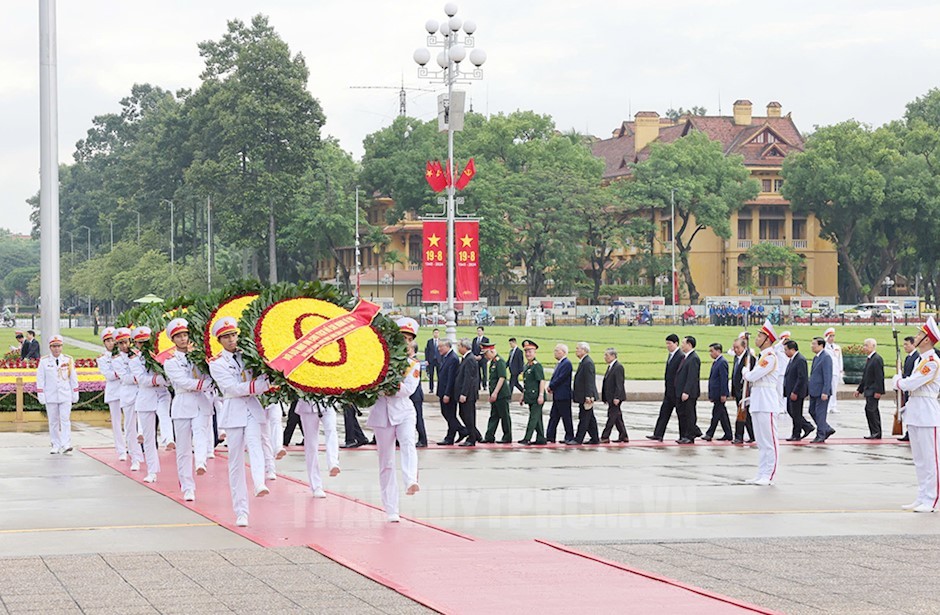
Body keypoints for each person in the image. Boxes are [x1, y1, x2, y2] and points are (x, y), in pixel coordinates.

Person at [207, 316, 273, 527]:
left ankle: (259, 483)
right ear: (220, 340)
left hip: (252, 408)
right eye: (226, 337)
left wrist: (267, 381)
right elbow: (231, 388)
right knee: (235, 462)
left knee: (255, 444)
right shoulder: (217, 364)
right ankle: (241, 511)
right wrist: (259, 386)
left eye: (233, 335)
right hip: (234, 411)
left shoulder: (250, 355)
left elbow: (263, 376)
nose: (231, 340)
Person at [366, 317, 421, 522]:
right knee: (386, 462)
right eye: (402, 337)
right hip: (382, 414)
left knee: (408, 443)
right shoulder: (379, 360)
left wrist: (388, 385)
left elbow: (408, 389)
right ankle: (391, 508)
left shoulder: (412, 364)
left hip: (404, 411)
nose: (405, 341)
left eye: (409, 338)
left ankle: (410, 480)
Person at [163, 318, 215, 501]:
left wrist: (206, 382)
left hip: (201, 402)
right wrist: (203, 384)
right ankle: (187, 486)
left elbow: (210, 375)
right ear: (173, 339)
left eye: (185, 335)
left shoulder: (200, 356)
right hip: (182, 404)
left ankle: (201, 462)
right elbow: (182, 382)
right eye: (179, 336)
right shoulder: (170, 362)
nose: (183, 339)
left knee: (201, 433)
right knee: (183, 449)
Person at [892, 316, 940, 512]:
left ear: (927, 339)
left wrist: (898, 381)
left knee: (931, 460)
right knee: (919, 460)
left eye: (920, 334)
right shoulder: (921, 359)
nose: (917, 336)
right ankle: (922, 496)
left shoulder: (932, 361)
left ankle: (933, 499)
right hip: (915, 410)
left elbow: (911, 383)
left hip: (928, 411)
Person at [742, 320, 781, 485]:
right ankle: (761, 473)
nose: (757, 338)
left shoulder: (770, 357)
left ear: (768, 339)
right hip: (758, 401)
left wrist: (745, 371)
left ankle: (769, 475)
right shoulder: (762, 357)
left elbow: (752, 376)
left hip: (767, 402)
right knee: (761, 442)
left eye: (760, 336)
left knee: (770, 441)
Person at [129, 326, 165, 484]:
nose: (144, 345)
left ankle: (168, 438)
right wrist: (158, 380)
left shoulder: (162, 356)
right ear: (136, 344)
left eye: (146, 341)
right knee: (149, 439)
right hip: (145, 399)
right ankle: (152, 471)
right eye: (140, 342)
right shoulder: (135, 361)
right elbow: (142, 379)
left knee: (166, 421)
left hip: (162, 395)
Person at [35, 335, 78, 455]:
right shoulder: (44, 361)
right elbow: (40, 379)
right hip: (51, 395)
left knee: (65, 420)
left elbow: (73, 378)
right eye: (54, 346)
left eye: (58, 346)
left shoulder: (68, 360)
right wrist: (41, 394)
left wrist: (75, 392)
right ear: (50, 347)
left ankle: (66, 444)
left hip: (65, 394)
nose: (56, 349)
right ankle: (55, 444)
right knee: (53, 421)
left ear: (62, 347)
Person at [296, 399, 340, 499]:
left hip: (328, 401)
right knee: (311, 444)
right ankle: (316, 486)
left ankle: (333, 463)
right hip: (307, 405)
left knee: (331, 430)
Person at [113, 327, 142, 470]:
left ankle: (144, 455)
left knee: (144, 427)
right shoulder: (117, 360)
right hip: (128, 394)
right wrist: (140, 378)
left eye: (126, 342)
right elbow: (124, 378)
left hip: (142, 393)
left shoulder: (138, 354)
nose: (124, 346)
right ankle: (135, 458)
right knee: (130, 428)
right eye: (121, 343)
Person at [96, 327, 127, 460]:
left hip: (126, 391)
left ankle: (131, 447)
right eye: (107, 341)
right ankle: (121, 450)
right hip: (114, 392)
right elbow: (108, 374)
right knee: (116, 422)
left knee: (130, 422)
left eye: (112, 340)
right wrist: (122, 373)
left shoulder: (125, 354)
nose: (111, 343)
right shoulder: (103, 358)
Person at [648, 334, 683, 442]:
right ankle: (658, 434)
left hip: (676, 391)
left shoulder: (680, 356)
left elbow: (680, 375)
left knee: (681, 415)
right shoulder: (671, 355)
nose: (667, 346)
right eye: (666, 343)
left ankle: (692, 432)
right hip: (669, 391)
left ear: (676, 343)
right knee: (664, 413)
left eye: (669, 343)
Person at [436, 339, 467, 445]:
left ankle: (461, 431)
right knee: (448, 414)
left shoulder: (453, 358)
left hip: (448, 392)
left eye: (441, 346)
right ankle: (453, 435)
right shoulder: (445, 357)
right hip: (443, 390)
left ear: (448, 346)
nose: (439, 349)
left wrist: (447, 394)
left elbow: (451, 379)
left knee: (449, 414)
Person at [783, 340, 814, 441]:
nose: (785, 352)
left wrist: (795, 391)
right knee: (791, 411)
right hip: (790, 391)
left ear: (792, 349)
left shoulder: (800, 360)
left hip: (796, 392)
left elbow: (801, 378)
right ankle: (806, 426)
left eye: (786, 350)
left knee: (796, 412)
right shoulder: (793, 359)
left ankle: (797, 433)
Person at [482, 339, 512, 443]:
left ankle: (507, 437)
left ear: (491, 351)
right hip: (495, 394)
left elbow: (502, 378)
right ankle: (489, 436)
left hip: (501, 394)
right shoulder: (493, 362)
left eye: (486, 354)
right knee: (494, 415)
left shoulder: (500, 361)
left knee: (504, 416)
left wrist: (495, 393)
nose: (486, 357)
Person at [454, 337, 482, 446]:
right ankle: (476, 434)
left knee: (468, 416)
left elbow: (468, 379)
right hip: (466, 394)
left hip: (468, 394)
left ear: (464, 347)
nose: (458, 348)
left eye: (459, 346)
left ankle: (472, 438)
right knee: (463, 414)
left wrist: (464, 393)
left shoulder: (470, 359)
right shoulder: (466, 358)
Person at [854, 338, 885, 439]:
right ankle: (874, 432)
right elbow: (865, 377)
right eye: (864, 345)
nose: (864, 347)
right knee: (869, 410)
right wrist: (859, 389)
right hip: (868, 389)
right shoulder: (870, 359)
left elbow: (879, 377)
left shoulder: (877, 359)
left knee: (871, 410)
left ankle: (876, 432)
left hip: (873, 390)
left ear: (873, 346)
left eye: (866, 345)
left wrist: (878, 391)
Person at [519, 340, 547, 445]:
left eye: (530, 351)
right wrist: (523, 395)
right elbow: (526, 383)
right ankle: (541, 438)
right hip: (530, 395)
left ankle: (527, 438)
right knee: (537, 418)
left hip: (537, 396)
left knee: (533, 418)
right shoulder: (527, 366)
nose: (527, 354)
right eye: (526, 352)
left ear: (534, 352)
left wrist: (541, 395)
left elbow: (542, 381)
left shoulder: (537, 366)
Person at [674, 336, 702, 444]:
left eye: (683, 343)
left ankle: (690, 436)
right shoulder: (686, 357)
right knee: (682, 414)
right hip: (681, 391)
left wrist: (686, 391)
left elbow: (692, 377)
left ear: (689, 345)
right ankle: (683, 435)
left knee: (689, 415)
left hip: (689, 393)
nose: (682, 345)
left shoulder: (694, 358)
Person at [546, 343, 575, 444]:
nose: (555, 353)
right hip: (557, 395)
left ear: (563, 352)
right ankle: (550, 436)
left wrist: (551, 386)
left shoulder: (567, 363)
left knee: (566, 417)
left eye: (556, 351)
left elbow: (560, 378)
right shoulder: (559, 363)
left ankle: (569, 436)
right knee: (554, 416)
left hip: (563, 395)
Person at [703, 342, 732, 442]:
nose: (710, 353)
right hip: (716, 393)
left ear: (718, 351)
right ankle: (728, 434)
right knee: (722, 415)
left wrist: (723, 394)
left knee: (716, 414)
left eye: (712, 351)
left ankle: (709, 433)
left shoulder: (722, 362)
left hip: (720, 393)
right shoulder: (716, 362)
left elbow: (724, 379)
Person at [571, 342, 599, 445]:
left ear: (584, 350)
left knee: (584, 418)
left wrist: (589, 396)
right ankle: (595, 438)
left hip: (586, 396)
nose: (576, 351)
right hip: (583, 395)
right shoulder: (584, 362)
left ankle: (578, 439)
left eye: (578, 349)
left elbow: (589, 381)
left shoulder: (587, 363)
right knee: (590, 418)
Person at [808, 337, 835, 443]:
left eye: (814, 344)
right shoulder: (816, 357)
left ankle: (821, 435)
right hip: (814, 390)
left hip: (821, 391)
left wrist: (825, 391)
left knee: (820, 413)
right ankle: (826, 429)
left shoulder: (826, 357)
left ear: (821, 345)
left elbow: (827, 376)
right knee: (812, 411)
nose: (812, 346)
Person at [731, 334, 756, 445]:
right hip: (738, 391)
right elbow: (734, 374)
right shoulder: (736, 358)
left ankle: (739, 436)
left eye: (738, 348)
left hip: (746, 391)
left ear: (744, 347)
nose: (736, 350)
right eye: (734, 348)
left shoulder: (749, 358)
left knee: (743, 414)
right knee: (744, 415)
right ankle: (752, 435)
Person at [600, 348, 628, 443]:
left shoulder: (618, 367)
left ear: (613, 356)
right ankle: (623, 435)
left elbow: (619, 383)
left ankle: (605, 436)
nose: (605, 358)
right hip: (610, 397)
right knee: (617, 417)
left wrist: (617, 397)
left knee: (611, 417)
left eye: (606, 356)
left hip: (615, 397)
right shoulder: (610, 367)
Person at [407, 339, 428, 447]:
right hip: (409, 395)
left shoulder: (415, 362)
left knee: (418, 417)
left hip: (415, 395)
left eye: (408, 347)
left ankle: (423, 439)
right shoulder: (408, 361)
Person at [898, 336, 918, 442]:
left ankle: (911, 433)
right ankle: (908, 432)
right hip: (906, 388)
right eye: (904, 344)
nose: (905, 347)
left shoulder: (917, 357)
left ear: (913, 344)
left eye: (907, 344)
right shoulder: (908, 357)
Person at [824, 327, 843, 413]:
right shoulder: (824, 347)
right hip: (827, 371)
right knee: (827, 389)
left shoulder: (837, 347)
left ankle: (833, 406)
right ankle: (827, 406)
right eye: (830, 336)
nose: (832, 338)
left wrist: (840, 370)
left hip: (835, 371)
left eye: (833, 336)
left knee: (834, 389)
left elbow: (840, 359)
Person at [424, 328, 441, 394]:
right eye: (435, 333)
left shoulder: (440, 341)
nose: (436, 334)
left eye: (437, 333)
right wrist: (426, 360)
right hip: (431, 360)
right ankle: (431, 388)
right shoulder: (429, 341)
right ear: (433, 333)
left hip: (438, 360)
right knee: (431, 375)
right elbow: (427, 351)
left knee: (439, 375)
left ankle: (439, 388)